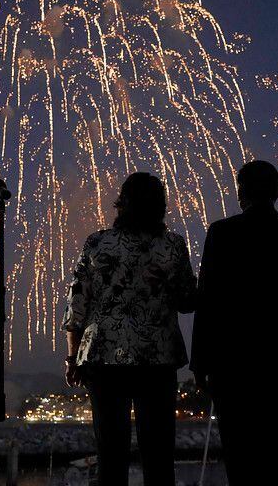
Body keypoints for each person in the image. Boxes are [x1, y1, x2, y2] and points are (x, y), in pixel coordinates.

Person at [62, 172, 197, 486]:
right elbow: (188, 300)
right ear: (160, 206)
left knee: (110, 454)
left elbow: (77, 304)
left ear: (121, 204)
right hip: (158, 358)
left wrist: (72, 357)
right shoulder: (173, 245)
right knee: (159, 456)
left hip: (103, 359)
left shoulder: (97, 242)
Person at [190, 159, 278, 485]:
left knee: (239, 455)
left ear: (240, 192)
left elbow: (208, 299)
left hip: (233, 364)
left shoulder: (222, 232)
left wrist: (200, 362)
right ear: (276, 191)